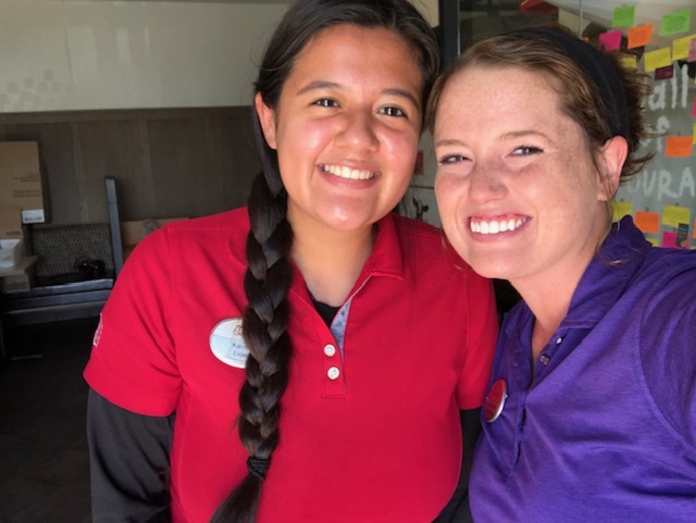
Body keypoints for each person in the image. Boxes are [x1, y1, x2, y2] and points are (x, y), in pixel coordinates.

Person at [83, 1, 499, 521]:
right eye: (326, 101)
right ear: (270, 120)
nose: (359, 137)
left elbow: (472, 481)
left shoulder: (459, 276)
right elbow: (125, 503)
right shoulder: (167, 271)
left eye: (393, 110)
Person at [429, 24, 696, 522]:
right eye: (455, 157)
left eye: (524, 149)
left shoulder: (672, 319)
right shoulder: (517, 332)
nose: (481, 187)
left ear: (605, 168)